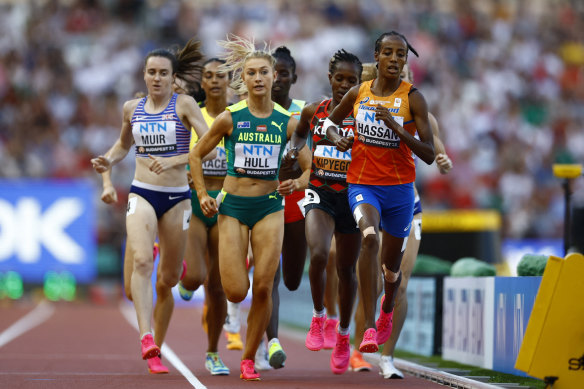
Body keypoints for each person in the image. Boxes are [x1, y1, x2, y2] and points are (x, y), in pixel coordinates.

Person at [188, 35, 310, 381]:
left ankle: (247, 359)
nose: (258, 78)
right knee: (236, 290)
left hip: (270, 207)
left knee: (264, 287)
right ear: (244, 79)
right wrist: (201, 194)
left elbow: (309, 166)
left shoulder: (287, 122)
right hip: (233, 208)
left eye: (264, 73)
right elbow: (196, 155)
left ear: (274, 77)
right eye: (251, 73)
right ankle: (234, 325)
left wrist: (298, 184)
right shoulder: (231, 118)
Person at [91, 38, 211, 375]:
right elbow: (121, 146)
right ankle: (147, 337)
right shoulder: (132, 108)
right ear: (144, 75)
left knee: (169, 278)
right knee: (142, 262)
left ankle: (174, 263)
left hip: (176, 199)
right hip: (141, 193)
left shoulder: (185, 105)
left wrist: (175, 162)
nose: (156, 78)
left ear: (173, 78)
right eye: (151, 72)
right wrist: (107, 159)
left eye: (163, 73)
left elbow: (211, 148)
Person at [323, 31, 436, 358]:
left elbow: (428, 153)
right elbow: (329, 124)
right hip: (363, 184)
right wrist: (337, 137)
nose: (395, 60)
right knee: (369, 238)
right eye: (389, 53)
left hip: (400, 192)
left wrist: (399, 129)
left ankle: (387, 306)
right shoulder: (359, 93)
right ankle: (370, 324)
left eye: (401, 55)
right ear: (377, 56)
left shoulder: (414, 98)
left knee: (391, 270)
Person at [289, 49, 363, 374]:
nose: (344, 85)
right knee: (318, 255)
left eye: (352, 81)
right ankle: (319, 317)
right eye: (340, 78)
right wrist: (294, 151)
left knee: (346, 272)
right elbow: (300, 131)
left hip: (353, 199)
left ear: (360, 84)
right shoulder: (314, 109)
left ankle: (344, 333)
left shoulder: (364, 115)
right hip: (319, 193)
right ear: (330, 78)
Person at [175, 57, 233, 375]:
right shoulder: (190, 113)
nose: (213, 81)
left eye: (219, 76)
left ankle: (212, 352)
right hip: (195, 202)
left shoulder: (237, 116)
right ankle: (186, 278)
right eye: (208, 76)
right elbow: (175, 150)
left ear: (229, 80)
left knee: (219, 286)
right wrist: (184, 170)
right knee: (196, 277)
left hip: (225, 206)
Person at [253, 45, 307, 371]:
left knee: (291, 280)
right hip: (263, 199)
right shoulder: (251, 112)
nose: (277, 80)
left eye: (283, 74)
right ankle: (270, 342)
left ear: (292, 78)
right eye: (273, 73)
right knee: (267, 277)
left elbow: (311, 160)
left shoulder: (303, 113)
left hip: (296, 199)